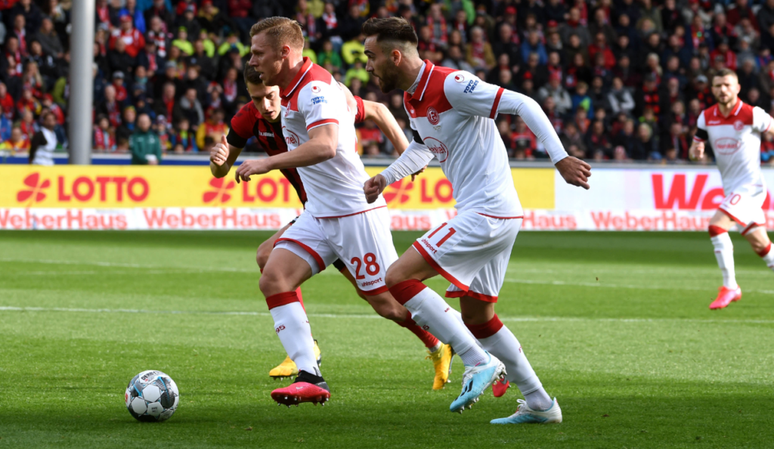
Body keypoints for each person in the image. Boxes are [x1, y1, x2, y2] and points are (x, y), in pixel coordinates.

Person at [361, 17, 591, 421]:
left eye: (371, 56)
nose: (367, 65)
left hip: (486, 211)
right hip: (493, 214)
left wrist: (559, 157)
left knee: (395, 278)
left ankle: (476, 360)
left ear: (394, 56)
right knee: (478, 317)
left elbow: (524, 103)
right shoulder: (413, 98)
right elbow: (422, 147)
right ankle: (540, 402)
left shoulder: (450, 84)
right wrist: (386, 176)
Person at [226, 18, 453, 406]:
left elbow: (326, 145)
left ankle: (472, 348)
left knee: (394, 300)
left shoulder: (314, 89)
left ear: (285, 53)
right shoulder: (295, 88)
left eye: (259, 52)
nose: (252, 59)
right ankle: (310, 375)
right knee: (274, 275)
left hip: (353, 213)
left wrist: (267, 163)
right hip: (319, 213)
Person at [689, 68, 774, 310]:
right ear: (712, 89)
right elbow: (696, 147)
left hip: (751, 187)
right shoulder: (706, 117)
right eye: (717, 86)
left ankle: (730, 286)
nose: (722, 90)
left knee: (716, 225)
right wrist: (695, 152)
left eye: (727, 85)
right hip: (732, 189)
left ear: (737, 88)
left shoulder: (750, 113)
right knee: (762, 246)